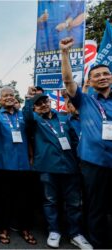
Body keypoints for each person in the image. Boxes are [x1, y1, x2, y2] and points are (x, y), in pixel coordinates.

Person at [23, 88, 92, 249]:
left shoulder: (64, 118)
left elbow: (75, 141)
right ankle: (54, 231)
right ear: (35, 107)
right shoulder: (35, 120)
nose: (43, 105)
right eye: (39, 103)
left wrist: (80, 161)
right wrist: (28, 100)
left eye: (45, 101)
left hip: (70, 167)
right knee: (50, 201)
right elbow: (26, 116)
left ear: (50, 102)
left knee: (74, 203)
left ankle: (76, 234)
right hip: (47, 167)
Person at [60, 37, 112, 248]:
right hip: (94, 164)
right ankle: (98, 244)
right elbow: (68, 81)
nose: (102, 77)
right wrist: (65, 53)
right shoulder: (84, 100)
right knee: (96, 208)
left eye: (106, 73)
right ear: (89, 82)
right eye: (96, 75)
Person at [0, 87, 37, 246]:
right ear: (0, 99)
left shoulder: (22, 114)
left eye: (11, 95)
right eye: (5, 96)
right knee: (4, 199)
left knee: (24, 199)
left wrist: (30, 156)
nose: (9, 97)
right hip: (4, 164)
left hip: (23, 164)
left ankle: (25, 228)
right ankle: (3, 229)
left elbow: (29, 135)